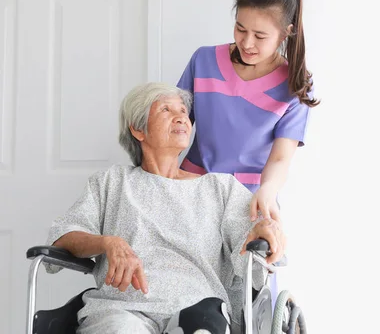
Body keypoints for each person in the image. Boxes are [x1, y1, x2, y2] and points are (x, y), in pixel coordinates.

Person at [44, 82, 286, 334]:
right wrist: (108, 243)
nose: (182, 117)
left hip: (198, 309)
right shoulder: (111, 183)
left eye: (183, 111)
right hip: (122, 309)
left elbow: (250, 246)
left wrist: (264, 227)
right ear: (138, 129)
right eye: (166, 110)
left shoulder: (220, 188)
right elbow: (63, 237)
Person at [177, 0, 319, 224]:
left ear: (286, 33)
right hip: (192, 189)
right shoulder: (203, 61)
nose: (247, 42)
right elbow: (173, 124)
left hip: (248, 201)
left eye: (260, 36)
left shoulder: (296, 87)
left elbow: (280, 158)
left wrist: (268, 190)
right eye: (240, 29)